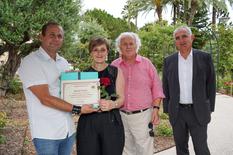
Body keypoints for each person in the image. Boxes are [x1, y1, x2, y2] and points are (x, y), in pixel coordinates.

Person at [18, 21, 96, 155]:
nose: (56, 39)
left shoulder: (63, 62)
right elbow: (45, 99)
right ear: (41, 37)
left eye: (60, 36)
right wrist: (78, 109)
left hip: (67, 130)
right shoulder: (31, 62)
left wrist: (79, 85)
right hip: (46, 133)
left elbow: (68, 93)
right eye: (52, 35)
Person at [162, 26, 216, 155]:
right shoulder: (169, 61)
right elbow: (166, 87)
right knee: (181, 149)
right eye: (177, 38)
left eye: (184, 36)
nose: (181, 40)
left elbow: (211, 84)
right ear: (175, 42)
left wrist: (209, 108)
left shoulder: (204, 57)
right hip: (177, 112)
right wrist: (167, 109)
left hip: (198, 111)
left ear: (192, 38)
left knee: (201, 148)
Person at [112, 32, 164, 155]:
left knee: (144, 150)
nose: (128, 46)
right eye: (124, 44)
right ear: (119, 47)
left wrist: (156, 109)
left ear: (137, 46)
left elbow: (157, 88)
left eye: (131, 43)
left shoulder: (147, 64)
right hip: (120, 115)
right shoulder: (114, 65)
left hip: (143, 116)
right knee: (125, 149)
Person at [76, 37, 125, 155]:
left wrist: (112, 104)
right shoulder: (82, 74)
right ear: (90, 52)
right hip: (88, 123)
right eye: (95, 50)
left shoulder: (116, 71)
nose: (99, 53)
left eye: (103, 50)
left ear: (107, 52)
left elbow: (122, 99)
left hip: (111, 122)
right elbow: (76, 104)